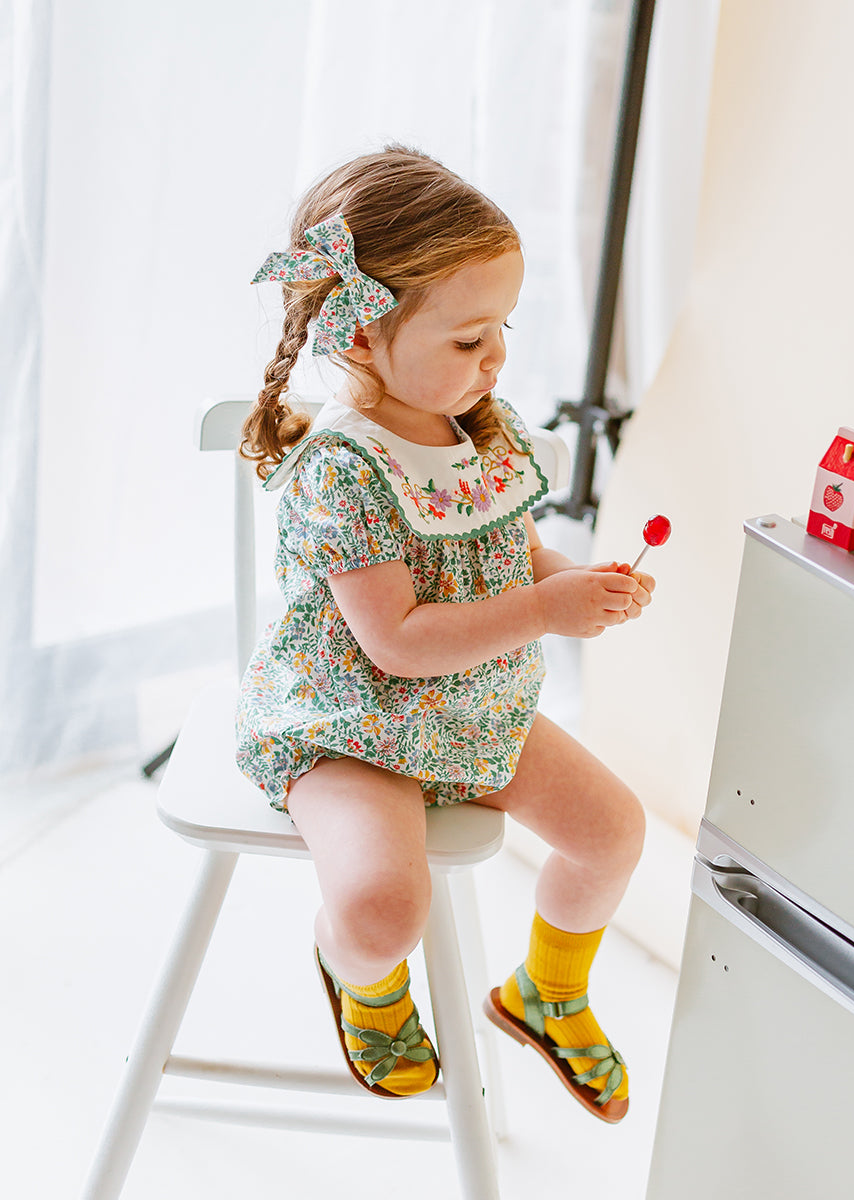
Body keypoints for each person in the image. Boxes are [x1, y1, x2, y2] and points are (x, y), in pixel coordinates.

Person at [236, 146, 653, 1121]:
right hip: (352, 721)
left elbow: (513, 551)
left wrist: (576, 583)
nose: (495, 356)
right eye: (469, 338)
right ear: (361, 338)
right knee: (385, 907)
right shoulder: (345, 468)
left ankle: (547, 992)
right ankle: (362, 977)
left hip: (472, 708)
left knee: (613, 831)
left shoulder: (481, 425)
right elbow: (397, 641)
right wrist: (545, 612)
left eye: (503, 326)